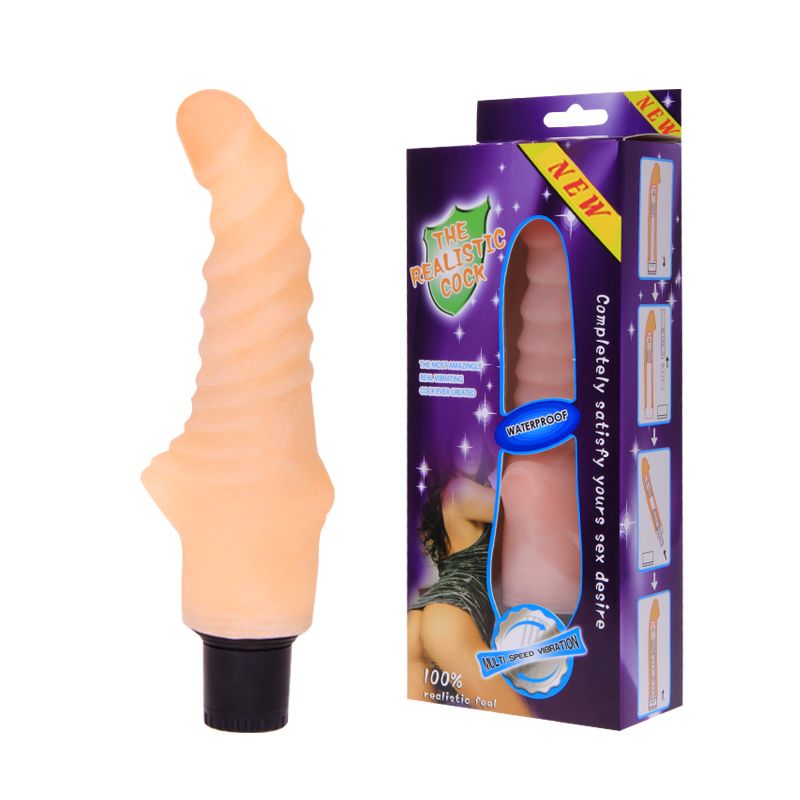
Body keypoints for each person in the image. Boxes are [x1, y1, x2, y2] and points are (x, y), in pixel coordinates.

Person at [407, 457, 532, 717]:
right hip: (457, 607)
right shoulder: (460, 490)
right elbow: (530, 510)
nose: (469, 448)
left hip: (420, 614)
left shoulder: (437, 503)